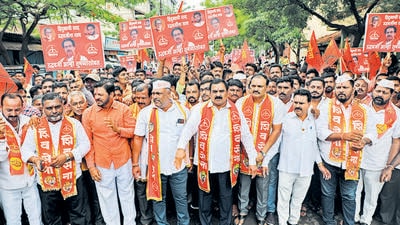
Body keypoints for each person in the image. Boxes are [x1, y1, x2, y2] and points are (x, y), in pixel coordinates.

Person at [177, 79, 259, 225]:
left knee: (226, 200)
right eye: (214, 91)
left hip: (226, 165)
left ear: (227, 92)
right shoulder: (200, 109)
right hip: (203, 164)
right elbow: (187, 131)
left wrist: (252, 160)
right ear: (209, 93)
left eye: (221, 91)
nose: (218, 94)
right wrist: (180, 149)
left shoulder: (236, 111)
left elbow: (246, 136)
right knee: (204, 200)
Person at [21, 92, 90, 225]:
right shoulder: (35, 126)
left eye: (57, 107)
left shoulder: (74, 124)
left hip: (73, 178)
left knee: (78, 215)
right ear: (43, 108)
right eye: (49, 108)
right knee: (52, 218)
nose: (54, 111)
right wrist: (35, 160)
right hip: (46, 180)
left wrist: (68, 156)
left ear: (63, 106)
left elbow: (86, 145)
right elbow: (25, 150)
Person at [316, 74, 375, 225]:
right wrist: (343, 135)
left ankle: (349, 222)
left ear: (353, 89)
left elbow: (372, 132)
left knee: (349, 195)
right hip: (329, 160)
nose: (341, 91)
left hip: (352, 161)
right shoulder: (326, 106)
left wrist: (364, 141)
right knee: (327, 193)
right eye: (339, 87)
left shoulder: (364, 109)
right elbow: (321, 132)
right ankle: (329, 221)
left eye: (345, 87)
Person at [133, 80, 190, 225]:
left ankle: (184, 222)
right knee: (158, 198)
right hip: (155, 166)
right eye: (153, 94)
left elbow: (189, 137)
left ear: (169, 93)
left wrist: (189, 157)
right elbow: (138, 139)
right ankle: (161, 223)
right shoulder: (145, 113)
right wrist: (135, 164)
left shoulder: (183, 110)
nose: (155, 97)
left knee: (181, 198)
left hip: (178, 166)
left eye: (158, 93)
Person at [82, 81, 136, 225]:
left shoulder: (123, 109)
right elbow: (88, 143)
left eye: (100, 94)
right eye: (95, 94)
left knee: (127, 195)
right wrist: (92, 167)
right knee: (107, 198)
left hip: (123, 160)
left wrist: (119, 130)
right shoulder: (88, 113)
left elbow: (133, 132)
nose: (97, 97)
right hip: (102, 163)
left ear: (111, 94)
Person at [235, 74, 284, 225]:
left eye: (259, 86)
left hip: (265, 153)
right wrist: (250, 153)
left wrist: (263, 154)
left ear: (267, 87)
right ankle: (242, 212)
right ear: (249, 86)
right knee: (243, 185)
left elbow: (276, 131)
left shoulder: (276, 104)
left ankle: (261, 216)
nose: (255, 89)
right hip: (244, 152)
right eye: (253, 86)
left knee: (263, 187)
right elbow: (238, 129)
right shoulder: (241, 102)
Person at [277, 89, 330, 225]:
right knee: (283, 199)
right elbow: (276, 142)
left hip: (306, 169)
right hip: (287, 167)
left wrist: (320, 165)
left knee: (298, 199)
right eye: (296, 102)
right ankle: (282, 222)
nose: (298, 105)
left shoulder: (314, 120)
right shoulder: (286, 119)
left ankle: (293, 222)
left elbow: (314, 145)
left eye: (301, 103)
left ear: (309, 104)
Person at [354, 79, 400, 225]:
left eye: (385, 92)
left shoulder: (397, 114)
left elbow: (396, 141)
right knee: (353, 193)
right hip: (356, 157)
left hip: (378, 161)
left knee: (371, 196)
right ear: (373, 91)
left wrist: (388, 166)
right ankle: (353, 218)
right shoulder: (360, 107)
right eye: (378, 91)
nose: (380, 94)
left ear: (392, 94)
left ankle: (365, 220)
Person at [0, 94, 42, 225]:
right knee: (13, 221)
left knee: (36, 219)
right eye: (9, 110)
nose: (13, 114)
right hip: (8, 184)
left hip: (30, 180)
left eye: (17, 109)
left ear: (23, 107)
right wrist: (1, 137)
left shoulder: (27, 120)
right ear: (1, 107)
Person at [67, 91, 106, 225]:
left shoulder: (93, 115)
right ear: (69, 106)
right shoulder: (67, 120)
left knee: (97, 196)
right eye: (75, 104)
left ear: (86, 103)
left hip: (95, 162)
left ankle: (100, 222)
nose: (78, 106)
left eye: (81, 103)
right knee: (82, 198)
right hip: (77, 166)